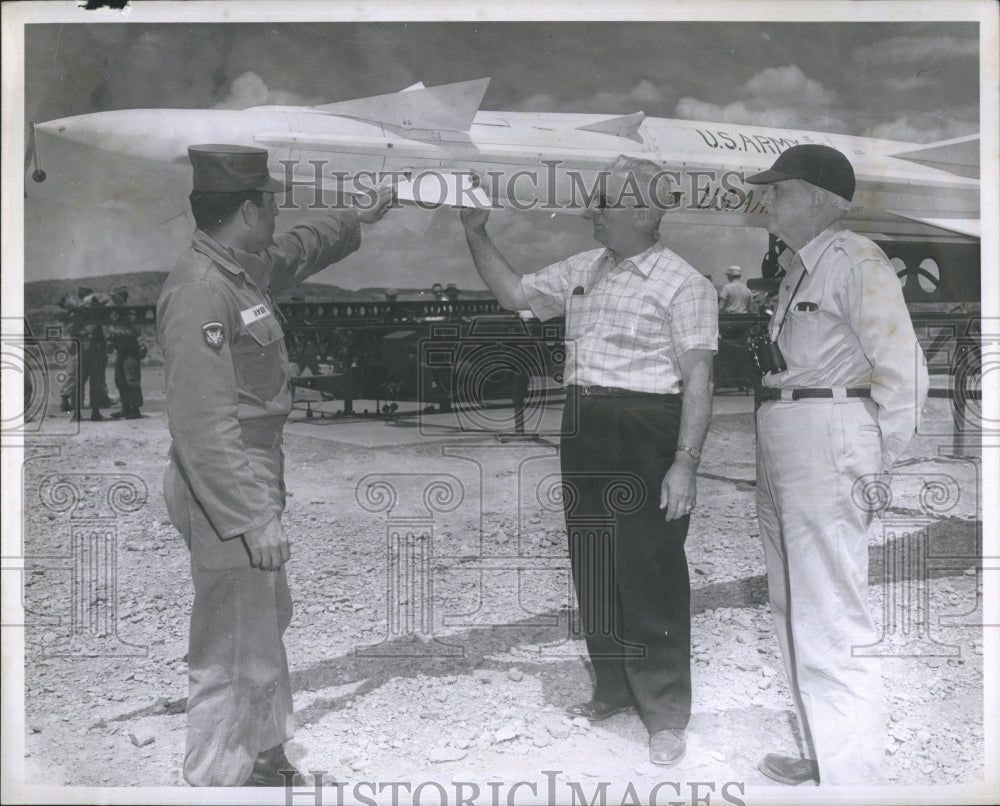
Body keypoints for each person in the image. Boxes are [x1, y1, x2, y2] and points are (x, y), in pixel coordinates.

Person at [460, 155, 717, 767]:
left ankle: (664, 713)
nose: (590, 212)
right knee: (594, 563)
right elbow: (515, 294)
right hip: (586, 427)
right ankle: (612, 690)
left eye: (602, 201)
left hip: (647, 429)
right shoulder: (583, 270)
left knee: (650, 569)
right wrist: (475, 231)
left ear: (642, 211)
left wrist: (685, 461)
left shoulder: (687, 284)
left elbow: (699, 374)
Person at [157, 144, 392, 787]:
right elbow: (203, 426)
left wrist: (356, 218)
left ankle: (261, 754)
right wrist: (249, 517)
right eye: (272, 203)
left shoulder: (238, 271)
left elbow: (297, 251)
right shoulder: (203, 291)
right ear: (247, 209)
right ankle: (217, 780)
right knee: (231, 638)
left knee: (259, 620)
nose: (279, 211)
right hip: (227, 480)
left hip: (251, 471)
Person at [746, 144, 928, 786]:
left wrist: (878, 460)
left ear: (821, 199)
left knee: (831, 607)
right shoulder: (800, 266)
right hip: (784, 431)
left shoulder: (855, 261)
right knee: (792, 601)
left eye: (780, 189)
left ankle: (856, 783)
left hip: (830, 433)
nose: (766, 199)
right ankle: (825, 751)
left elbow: (902, 368)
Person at [108, 285, 146, 419]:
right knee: (120, 380)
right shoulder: (118, 313)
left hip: (130, 351)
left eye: (114, 296)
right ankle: (126, 407)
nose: (112, 298)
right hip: (121, 350)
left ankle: (135, 409)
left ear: (120, 296)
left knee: (132, 380)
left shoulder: (130, 312)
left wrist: (116, 333)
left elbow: (135, 331)